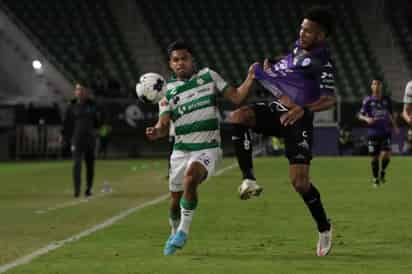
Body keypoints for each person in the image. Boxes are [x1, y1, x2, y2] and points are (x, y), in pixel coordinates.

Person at [228, 7, 336, 256]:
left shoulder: (323, 62)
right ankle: (249, 179)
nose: (302, 33)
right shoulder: (297, 48)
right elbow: (288, 71)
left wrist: (303, 108)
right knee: (239, 116)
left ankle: (323, 226)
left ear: (321, 35)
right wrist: (271, 69)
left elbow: (330, 100)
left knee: (299, 183)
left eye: (308, 30)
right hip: (279, 109)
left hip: (298, 120)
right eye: (301, 27)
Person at [146, 40, 255, 256]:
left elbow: (236, 97)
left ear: (192, 60)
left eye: (184, 59)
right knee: (174, 201)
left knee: (190, 178)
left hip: (208, 148)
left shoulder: (209, 77)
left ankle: (183, 233)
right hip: (181, 150)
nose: (180, 63)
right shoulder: (167, 92)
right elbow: (163, 124)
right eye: (175, 60)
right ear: (170, 64)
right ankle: (174, 230)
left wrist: (251, 77)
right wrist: (156, 132)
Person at [62, 83, 100, 198]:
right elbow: (67, 123)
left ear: (86, 92)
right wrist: (64, 136)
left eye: (82, 89)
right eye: (78, 89)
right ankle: (77, 190)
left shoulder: (93, 105)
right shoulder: (71, 106)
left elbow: (98, 122)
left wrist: (97, 133)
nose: (80, 92)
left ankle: (88, 189)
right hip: (76, 140)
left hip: (90, 140)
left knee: (90, 165)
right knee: (76, 164)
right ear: (75, 92)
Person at [358, 78, 398, 187]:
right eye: (374, 84)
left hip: (386, 131)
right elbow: (360, 115)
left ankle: (383, 171)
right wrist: (367, 119)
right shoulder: (367, 100)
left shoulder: (387, 100)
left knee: (387, 155)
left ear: (381, 86)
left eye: (378, 84)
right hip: (373, 133)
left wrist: (395, 126)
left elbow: (390, 114)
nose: (376, 86)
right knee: (374, 157)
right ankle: (375, 179)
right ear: (371, 86)